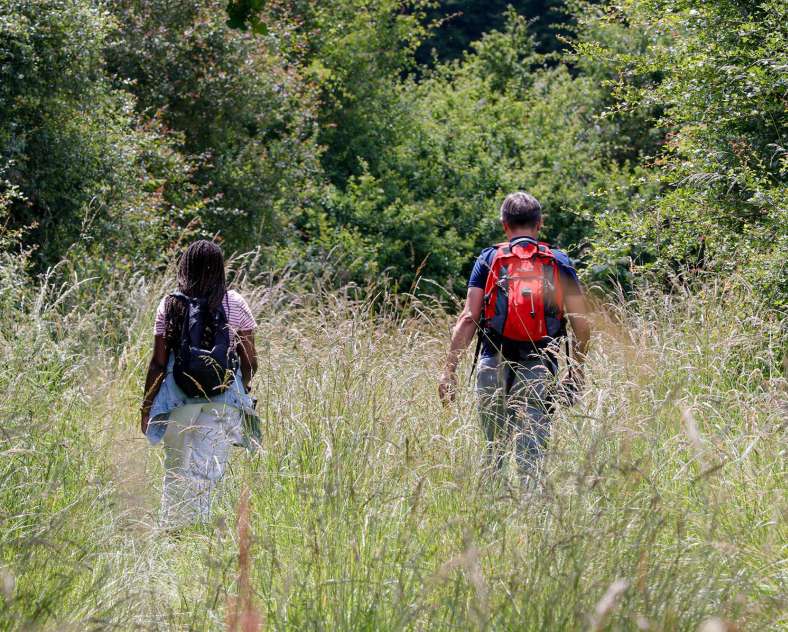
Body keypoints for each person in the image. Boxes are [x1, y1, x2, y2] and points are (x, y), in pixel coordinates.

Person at [438, 192, 591, 479]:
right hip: (540, 367)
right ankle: (530, 518)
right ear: (540, 223)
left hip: (492, 363)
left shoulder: (489, 260)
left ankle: (490, 516)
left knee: (494, 450)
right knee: (531, 456)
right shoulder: (559, 262)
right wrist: (576, 370)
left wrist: (449, 372)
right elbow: (582, 325)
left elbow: (468, 318)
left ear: (504, 225)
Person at [140, 240, 259, 527]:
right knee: (206, 471)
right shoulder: (235, 303)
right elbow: (251, 360)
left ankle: (172, 531)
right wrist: (243, 388)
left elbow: (158, 362)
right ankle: (197, 532)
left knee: (175, 467)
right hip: (223, 398)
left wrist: (146, 407)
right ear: (220, 268)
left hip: (177, 397)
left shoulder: (170, 304)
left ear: (185, 266)